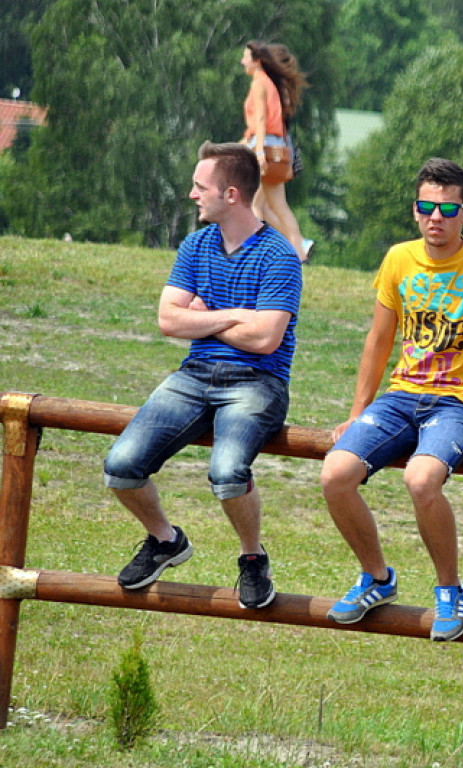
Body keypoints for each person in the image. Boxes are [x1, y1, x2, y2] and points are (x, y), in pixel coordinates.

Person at [321, 158, 463, 642]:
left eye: (448, 209)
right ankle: (376, 577)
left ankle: (450, 589)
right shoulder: (398, 259)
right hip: (402, 396)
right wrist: (356, 414)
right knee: (334, 475)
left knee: (420, 478)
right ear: (415, 210)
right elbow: (378, 340)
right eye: (426, 207)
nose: (436, 217)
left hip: (460, 401)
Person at [104, 141, 303, 609]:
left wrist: (205, 314)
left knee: (227, 472)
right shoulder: (196, 245)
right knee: (120, 466)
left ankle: (253, 558)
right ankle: (165, 540)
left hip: (258, 382)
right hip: (194, 376)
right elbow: (168, 320)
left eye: (200, 186)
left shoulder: (279, 256)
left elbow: (266, 339)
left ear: (231, 194)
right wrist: (234, 316)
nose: (192, 194)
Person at [241, 40, 311, 263]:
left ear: (257, 61)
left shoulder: (259, 84)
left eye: (245, 57)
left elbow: (261, 120)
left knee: (253, 204)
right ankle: (299, 251)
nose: (242, 61)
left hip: (263, 146)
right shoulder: (270, 83)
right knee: (279, 206)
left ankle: (252, 251)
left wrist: (259, 152)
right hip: (276, 146)